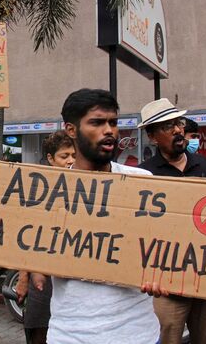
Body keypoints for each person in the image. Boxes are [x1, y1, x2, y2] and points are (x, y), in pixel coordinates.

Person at [47, 88, 162, 344]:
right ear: (71, 130)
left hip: (137, 335)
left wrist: (161, 274)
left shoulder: (143, 184)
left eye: (113, 122)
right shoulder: (48, 191)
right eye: (97, 122)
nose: (109, 130)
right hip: (70, 336)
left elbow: (159, 252)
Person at [138, 98, 206, 344]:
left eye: (179, 123)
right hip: (167, 284)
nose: (178, 130)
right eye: (168, 126)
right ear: (153, 137)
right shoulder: (145, 176)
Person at [16, 131, 74, 344]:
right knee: (39, 329)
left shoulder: (82, 187)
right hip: (41, 275)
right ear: (50, 158)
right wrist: (23, 278)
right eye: (64, 156)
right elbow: (26, 236)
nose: (70, 160)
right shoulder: (38, 189)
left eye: (73, 155)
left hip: (68, 275)